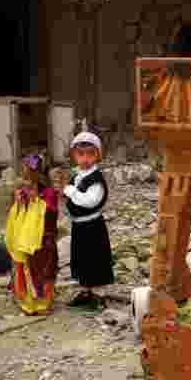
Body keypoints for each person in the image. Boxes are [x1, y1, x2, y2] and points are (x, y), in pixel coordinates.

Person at [63, 130, 115, 309]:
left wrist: (69, 191)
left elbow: (89, 201)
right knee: (82, 258)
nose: (85, 158)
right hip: (79, 226)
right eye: (80, 154)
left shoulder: (96, 179)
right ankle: (85, 290)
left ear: (97, 155)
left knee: (95, 258)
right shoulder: (77, 174)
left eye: (90, 154)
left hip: (93, 226)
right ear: (74, 155)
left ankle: (99, 295)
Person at [4, 153, 59, 316]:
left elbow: (52, 213)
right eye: (24, 177)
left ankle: (43, 303)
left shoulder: (49, 193)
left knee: (44, 271)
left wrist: (38, 202)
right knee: (27, 268)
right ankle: (27, 301)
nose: (26, 181)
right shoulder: (23, 191)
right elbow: (19, 213)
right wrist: (20, 201)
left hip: (44, 242)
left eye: (29, 177)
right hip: (26, 240)